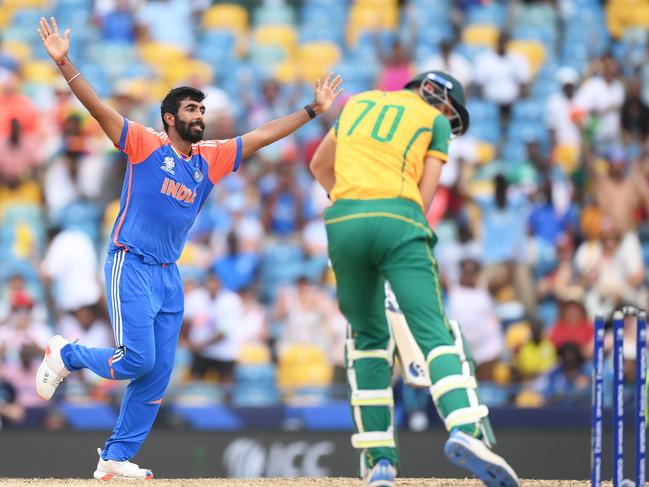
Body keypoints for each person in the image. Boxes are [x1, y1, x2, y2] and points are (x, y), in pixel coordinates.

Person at [34, 16, 342, 480]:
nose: (200, 117)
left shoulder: (210, 158)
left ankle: (114, 458)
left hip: (168, 274)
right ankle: (66, 355)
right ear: (170, 118)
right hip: (130, 263)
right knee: (135, 359)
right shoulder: (143, 144)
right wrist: (64, 63)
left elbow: (260, 137)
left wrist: (312, 111)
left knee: (156, 375)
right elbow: (98, 109)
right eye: (192, 111)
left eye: (202, 110)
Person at [310, 71, 518, 486]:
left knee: (368, 340)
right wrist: (394, 228)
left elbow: (319, 165)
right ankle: (466, 430)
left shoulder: (358, 103)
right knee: (433, 332)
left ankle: (379, 463)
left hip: (344, 220)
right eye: (449, 112)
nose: (448, 120)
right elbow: (424, 198)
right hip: (399, 219)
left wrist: (355, 207)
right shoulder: (435, 121)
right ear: (437, 97)